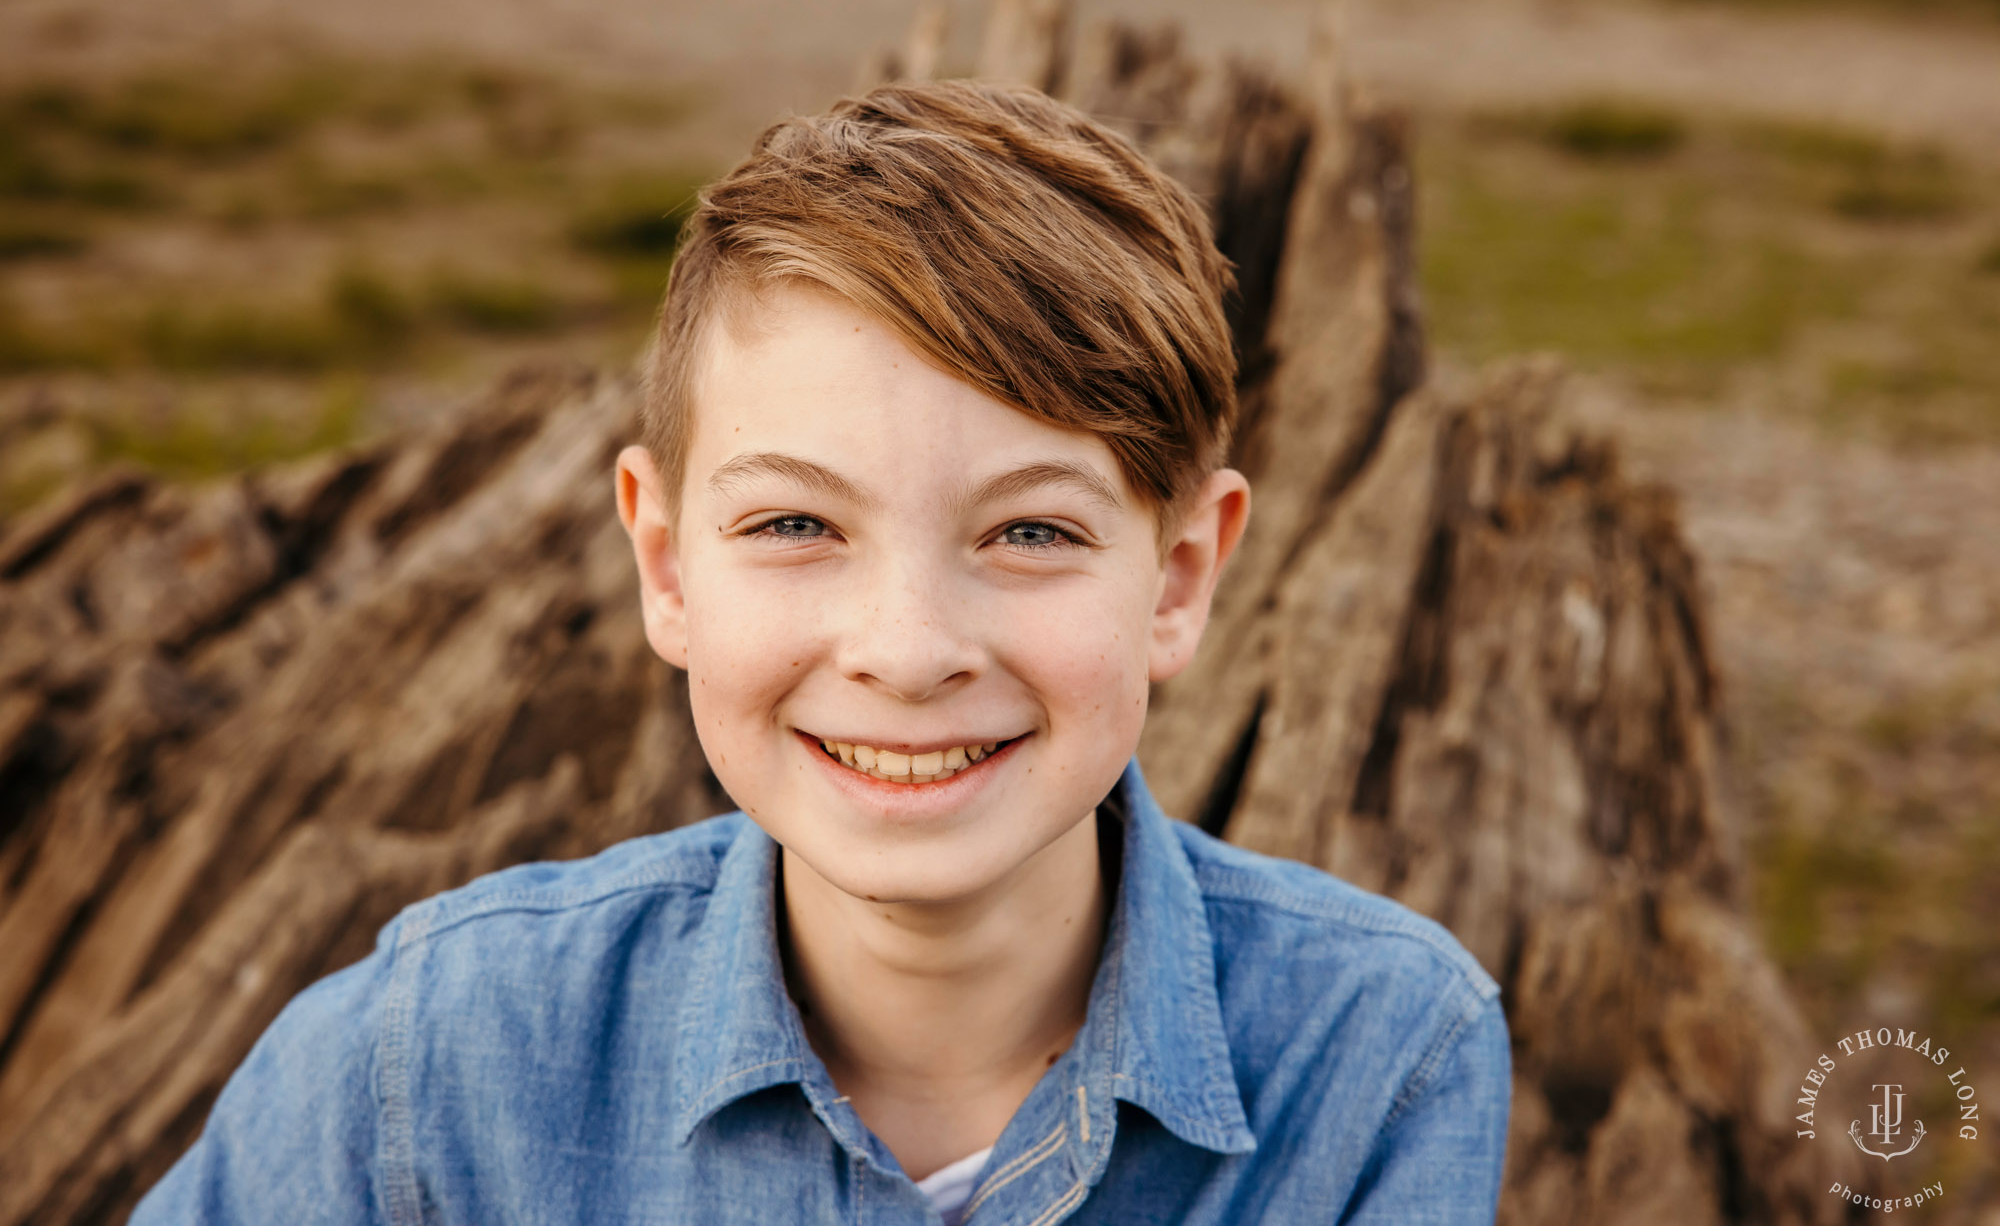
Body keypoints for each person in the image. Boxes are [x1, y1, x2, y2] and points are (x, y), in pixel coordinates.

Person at [132, 81, 1510, 1225]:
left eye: (1031, 531)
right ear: (668, 565)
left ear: (1181, 577)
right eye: (797, 521)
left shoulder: (1379, 1052)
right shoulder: (424, 1062)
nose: (907, 653)